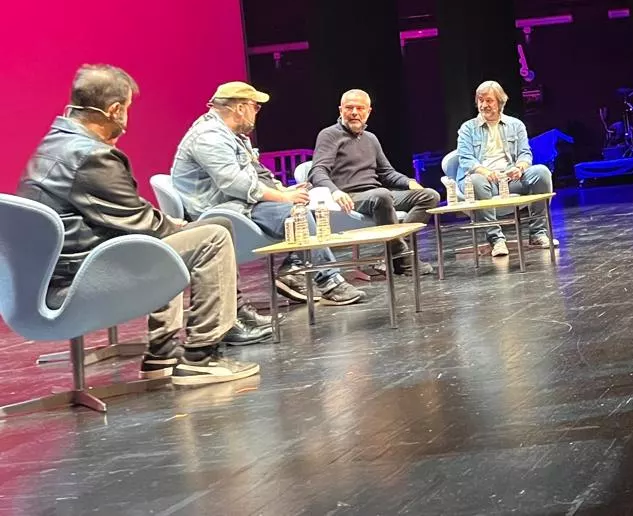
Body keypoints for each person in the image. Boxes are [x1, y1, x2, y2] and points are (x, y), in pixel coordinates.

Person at [17, 66, 267, 385]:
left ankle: (162, 353)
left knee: (174, 240)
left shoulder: (55, 141)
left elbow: (121, 215)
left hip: (55, 273)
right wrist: (178, 227)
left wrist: (172, 227)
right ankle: (201, 357)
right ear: (115, 110)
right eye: (127, 108)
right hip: (79, 279)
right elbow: (142, 224)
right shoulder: (92, 155)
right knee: (213, 236)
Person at [173, 82, 365, 306]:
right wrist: (284, 198)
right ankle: (330, 282)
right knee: (296, 213)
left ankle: (293, 269)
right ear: (240, 108)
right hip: (222, 210)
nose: (256, 113)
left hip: (242, 203)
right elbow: (233, 183)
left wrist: (282, 189)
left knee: (310, 204)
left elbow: (257, 173)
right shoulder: (209, 137)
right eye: (255, 107)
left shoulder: (232, 135)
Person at [309, 89, 438, 276]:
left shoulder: (371, 138)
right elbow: (317, 171)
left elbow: (387, 172)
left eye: (360, 108)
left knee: (429, 196)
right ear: (340, 110)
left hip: (377, 196)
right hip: (349, 197)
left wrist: (409, 182)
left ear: (368, 112)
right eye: (349, 108)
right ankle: (402, 259)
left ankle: (393, 254)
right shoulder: (329, 135)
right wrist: (335, 192)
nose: (354, 112)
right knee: (382, 195)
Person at [453, 80, 557, 255]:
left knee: (541, 172)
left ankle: (538, 233)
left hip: (509, 179)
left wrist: (519, 168)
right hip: (483, 179)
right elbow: (466, 160)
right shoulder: (467, 129)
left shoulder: (516, 125)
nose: (483, 105)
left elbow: (525, 154)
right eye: (480, 100)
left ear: (500, 102)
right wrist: (486, 172)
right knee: (476, 180)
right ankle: (496, 239)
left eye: (489, 100)